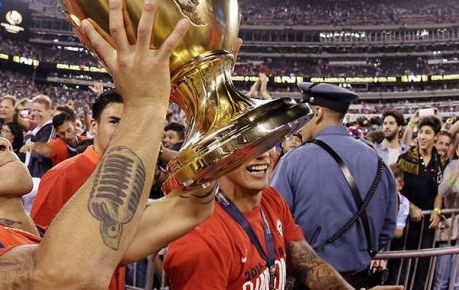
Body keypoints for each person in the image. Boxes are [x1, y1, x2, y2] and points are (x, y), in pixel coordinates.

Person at [0, 0, 217, 290]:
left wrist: (212, 113)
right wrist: (146, 106)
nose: (2, 142)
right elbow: (58, 279)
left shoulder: (46, 239)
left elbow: (189, 208)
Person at [164, 150, 402, 290]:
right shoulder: (200, 241)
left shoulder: (270, 199)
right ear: (218, 155)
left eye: (266, 143)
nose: (262, 155)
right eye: (246, 145)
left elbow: (309, 266)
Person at [271, 82, 397, 288]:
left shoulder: (293, 161)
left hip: (307, 282)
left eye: (304, 114)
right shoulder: (377, 159)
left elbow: (273, 224)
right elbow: (387, 230)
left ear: (317, 113)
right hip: (359, 279)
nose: (300, 124)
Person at [30, 89, 126, 289]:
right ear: (94, 125)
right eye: (114, 121)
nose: (123, 129)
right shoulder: (64, 175)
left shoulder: (127, 179)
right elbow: (37, 245)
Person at [395, 116, 448, 288]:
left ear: (436, 137)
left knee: (424, 266)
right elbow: (394, 188)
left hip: (427, 225)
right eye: (420, 133)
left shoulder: (440, 162)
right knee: (402, 267)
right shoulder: (405, 159)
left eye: (428, 132)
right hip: (406, 223)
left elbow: (440, 191)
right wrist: (410, 206)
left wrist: (437, 210)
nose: (423, 137)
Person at [435, 141, 459, 290]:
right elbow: (442, 191)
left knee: (457, 281)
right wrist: (457, 173)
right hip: (451, 225)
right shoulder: (452, 166)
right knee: (441, 277)